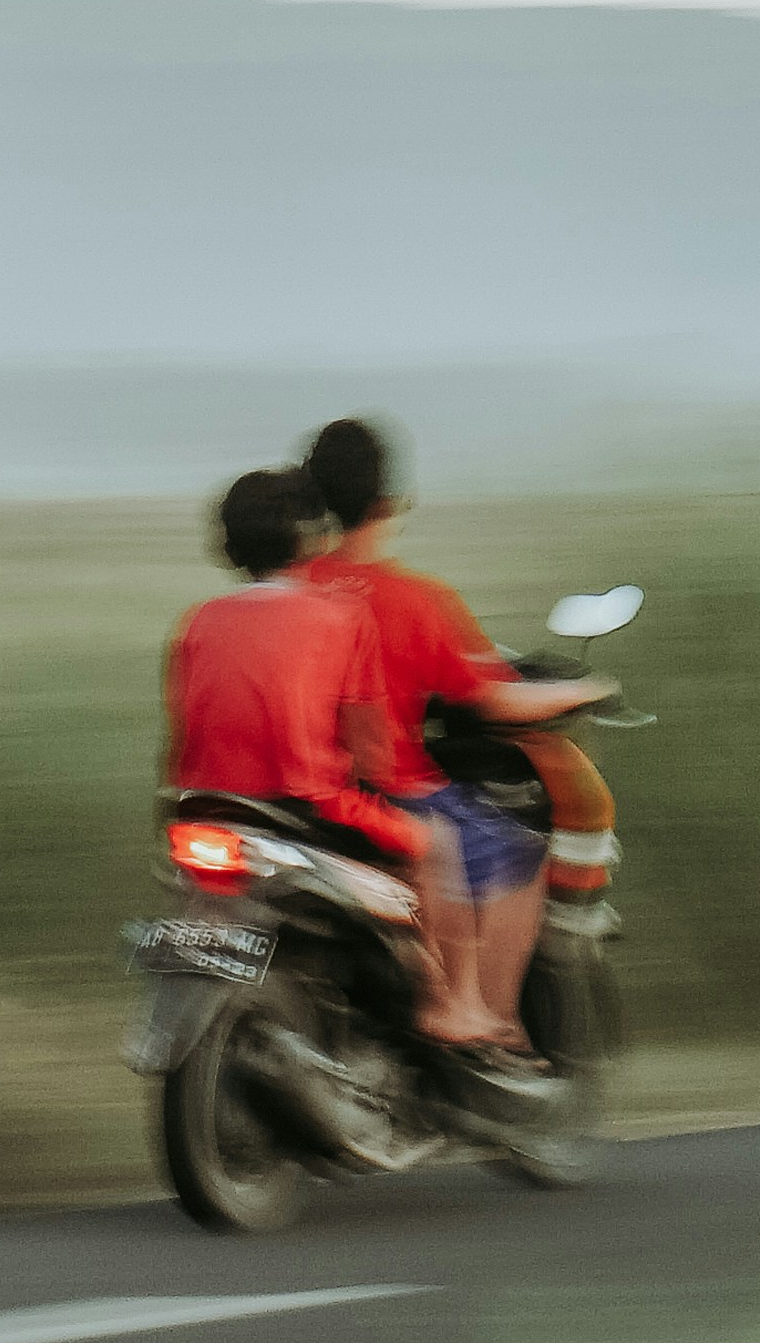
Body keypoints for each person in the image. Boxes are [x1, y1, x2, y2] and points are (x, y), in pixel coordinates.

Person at [292, 417, 609, 1059]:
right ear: (389, 504)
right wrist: (585, 690)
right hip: (387, 793)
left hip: (292, 794)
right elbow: (494, 697)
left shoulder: (285, 590)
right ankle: (486, 1022)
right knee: (521, 854)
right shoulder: (419, 600)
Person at [154, 467, 419, 871]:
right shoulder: (343, 618)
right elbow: (372, 753)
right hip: (308, 811)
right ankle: (438, 939)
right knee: (434, 845)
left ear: (230, 546)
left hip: (205, 813)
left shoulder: (197, 621)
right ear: (310, 539)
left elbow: (180, 739)